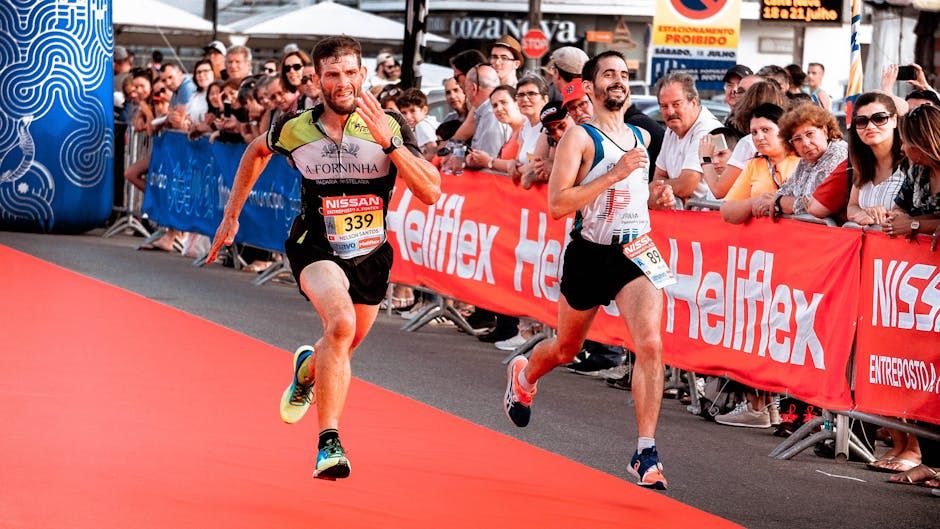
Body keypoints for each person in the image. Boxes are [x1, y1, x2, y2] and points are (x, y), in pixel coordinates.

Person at [206, 36, 440, 480]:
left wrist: (389, 145)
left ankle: (306, 370)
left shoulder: (388, 124)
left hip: (371, 254)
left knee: (342, 345)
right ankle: (328, 443)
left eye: (351, 73)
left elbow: (430, 191)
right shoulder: (295, 127)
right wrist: (231, 215)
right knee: (340, 324)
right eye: (332, 74)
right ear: (317, 80)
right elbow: (257, 151)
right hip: (315, 246)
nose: (343, 83)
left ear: (363, 76)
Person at [503, 51, 676, 489]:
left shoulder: (643, 134)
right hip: (589, 254)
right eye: (608, 75)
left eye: (623, 73)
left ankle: (645, 450)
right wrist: (614, 174)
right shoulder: (578, 138)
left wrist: (660, 195)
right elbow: (559, 204)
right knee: (564, 348)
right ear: (592, 86)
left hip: (634, 251)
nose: (618, 80)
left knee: (651, 344)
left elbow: (641, 193)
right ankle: (524, 375)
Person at [653, 72, 723, 204]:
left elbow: (686, 186)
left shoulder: (708, 129)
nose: (670, 112)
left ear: (694, 102)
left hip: (707, 216)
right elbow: (659, 176)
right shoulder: (672, 129)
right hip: (682, 213)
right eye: (664, 106)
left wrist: (658, 189)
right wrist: (667, 189)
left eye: (676, 104)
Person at [765, 104, 847, 218]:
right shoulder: (806, 161)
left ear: (824, 131)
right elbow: (784, 191)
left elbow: (812, 204)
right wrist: (777, 200)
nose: (806, 143)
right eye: (797, 139)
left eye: (810, 134)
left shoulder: (839, 153)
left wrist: (779, 202)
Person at [846, 92, 906, 226]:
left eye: (879, 119)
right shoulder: (861, 164)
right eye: (862, 121)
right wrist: (862, 214)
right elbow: (852, 206)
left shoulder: (911, 164)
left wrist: (888, 215)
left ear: (894, 120)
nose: (870, 126)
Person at [883, 103, 940, 237]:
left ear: (920, 144)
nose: (902, 148)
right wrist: (896, 219)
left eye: (904, 142)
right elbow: (899, 207)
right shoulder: (917, 171)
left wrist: (914, 225)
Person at [396, 88, 440, 160]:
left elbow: (432, 151)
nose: (408, 117)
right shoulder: (429, 122)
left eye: (413, 111)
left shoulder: (422, 125)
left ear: (424, 110)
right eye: (404, 113)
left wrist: (414, 165)